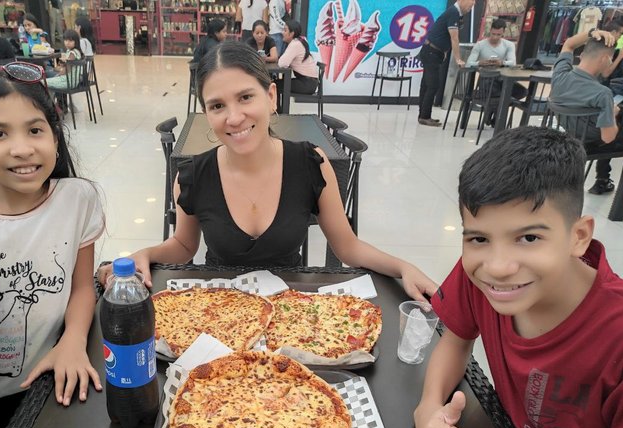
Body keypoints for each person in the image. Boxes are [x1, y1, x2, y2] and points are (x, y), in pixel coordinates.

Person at [97, 42, 436, 303]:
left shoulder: (309, 163)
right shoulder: (193, 174)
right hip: (220, 312)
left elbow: (347, 246)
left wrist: (403, 267)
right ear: (206, 113)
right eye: (217, 105)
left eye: (245, 97)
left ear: (271, 96)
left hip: (291, 310)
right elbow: (184, 245)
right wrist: (146, 254)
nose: (233, 117)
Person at [412, 126, 623, 428]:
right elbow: (456, 339)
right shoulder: (479, 277)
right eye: (478, 239)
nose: (498, 266)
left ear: (578, 236)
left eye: (528, 238)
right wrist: (427, 407)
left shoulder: (616, 336)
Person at [0, 62, 105, 428]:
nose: (22, 149)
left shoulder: (77, 199)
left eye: (35, 130)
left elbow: (81, 287)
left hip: (47, 384)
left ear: (55, 136)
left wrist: (72, 340)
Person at [550, 28, 623, 195]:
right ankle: (605, 184)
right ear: (605, 59)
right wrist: (613, 113)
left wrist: (593, 32)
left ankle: (603, 180)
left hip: (572, 131)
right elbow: (608, 137)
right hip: (593, 141)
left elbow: (569, 44)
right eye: (611, 60)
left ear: (582, 55)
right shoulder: (602, 93)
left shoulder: (560, 74)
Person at [417, 0, 475, 127]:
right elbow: (454, 37)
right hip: (431, 52)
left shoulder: (456, 13)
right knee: (432, 85)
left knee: (426, 84)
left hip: (432, 52)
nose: (470, 9)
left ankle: (423, 115)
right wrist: (458, 59)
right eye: (470, 5)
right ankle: (424, 116)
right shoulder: (453, 12)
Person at [279, 19, 319, 95]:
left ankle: (277, 107)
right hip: (309, 82)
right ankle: (278, 107)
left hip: (307, 84)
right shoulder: (300, 41)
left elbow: (282, 63)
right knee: (277, 83)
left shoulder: (295, 44)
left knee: (274, 84)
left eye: (285, 30)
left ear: (291, 33)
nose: (282, 33)